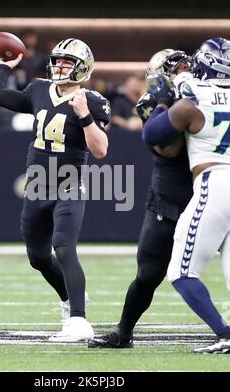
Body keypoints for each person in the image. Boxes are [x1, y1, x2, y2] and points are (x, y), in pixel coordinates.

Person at [0, 38, 110, 342]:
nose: (60, 66)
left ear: (83, 67)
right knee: (38, 258)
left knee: (64, 247)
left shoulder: (91, 99)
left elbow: (101, 150)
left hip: (69, 181)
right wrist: (4, 65)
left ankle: (79, 321)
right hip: (38, 184)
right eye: (57, 60)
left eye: (67, 61)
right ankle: (71, 300)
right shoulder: (39, 89)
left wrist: (84, 115)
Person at [88, 49, 193, 348]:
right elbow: (167, 148)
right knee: (148, 274)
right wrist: (173, 107)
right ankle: (124, 332)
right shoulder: (152, 102)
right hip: (169, 197)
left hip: (209, 195)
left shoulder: (208, 97)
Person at [141, 37, 230, 354]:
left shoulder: (197, 95)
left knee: (180, 272)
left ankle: (224, 333)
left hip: (215, 181)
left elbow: (153, 135)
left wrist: (162, 103)